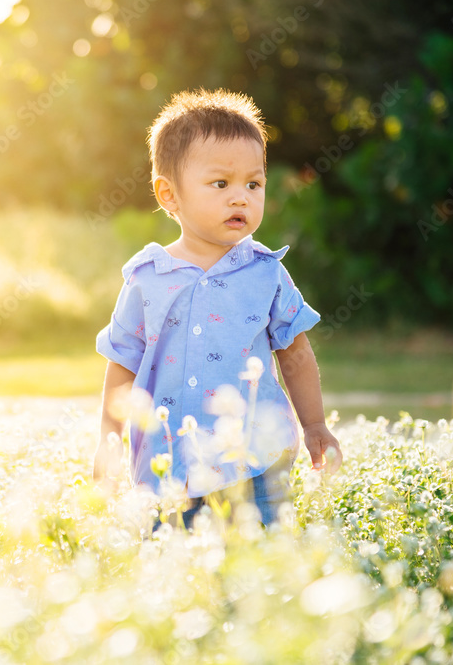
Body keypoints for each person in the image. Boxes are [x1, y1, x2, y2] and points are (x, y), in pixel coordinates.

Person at [93, 88, 343, 532]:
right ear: (169, 195)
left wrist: (315, 424)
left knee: (259, 568)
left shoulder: (267, 274)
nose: (241, 197)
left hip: (257, 460)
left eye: (254, 184)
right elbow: (122, 366)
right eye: (220, 184)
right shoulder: (146, 278)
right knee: (170, 573)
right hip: (167, 463)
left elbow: (296, 354)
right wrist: (109, 440)